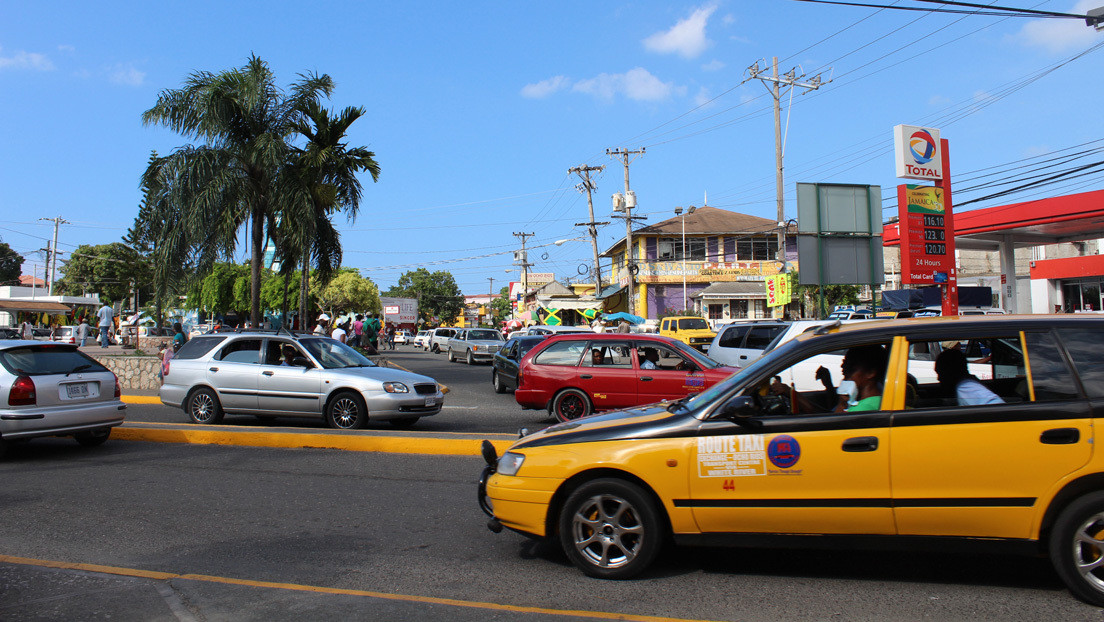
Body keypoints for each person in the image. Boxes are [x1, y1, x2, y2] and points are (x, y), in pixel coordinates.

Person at [935, 348, 1004, 406]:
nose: (938, 378)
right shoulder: (965, 386)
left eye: (940, 373)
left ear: (950, 372)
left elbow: (997, 406)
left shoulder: (967, 387)